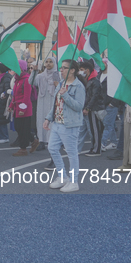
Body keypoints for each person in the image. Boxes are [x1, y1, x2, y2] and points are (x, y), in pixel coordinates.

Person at [43, 60, 86, 192]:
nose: (61, 70)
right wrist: (48, 118)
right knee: (52, 148)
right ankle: (63, 177)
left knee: (72, 153)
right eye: (61, 68)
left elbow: (79, 106)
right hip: (57, 122)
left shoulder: (78, 86)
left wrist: (65, 95)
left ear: (72, 70)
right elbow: (56, 104)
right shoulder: (61, 83)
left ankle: (74, 181)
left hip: (70, 124)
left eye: (64, 68)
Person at [31, 57, 60, 151]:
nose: (48, 64)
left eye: (51, 62)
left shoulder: (58, 75)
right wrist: (34, 72)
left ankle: (53, 141)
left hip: (53, 101)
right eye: (46, 62)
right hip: (42, 101)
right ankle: (42, 140)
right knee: (41, 120)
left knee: (53, 121)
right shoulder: (40, 76)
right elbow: (31, 82)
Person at [10, 60, 37, 156]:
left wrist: (22, 109)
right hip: (17, 108)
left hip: (24, 109)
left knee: (23, 129)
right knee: (18, 127)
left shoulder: (26, 79)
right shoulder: (17, 79)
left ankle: (23, 148)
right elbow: (15, 96)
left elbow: (26, 96)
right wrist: (11, 106)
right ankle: (33, 141)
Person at [0, 63, 12, 143]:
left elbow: (7, 89)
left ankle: (4, 136)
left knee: (2, 120)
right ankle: (1, 136)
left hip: (2, 100)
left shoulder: (7, 77)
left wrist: (3, 98)